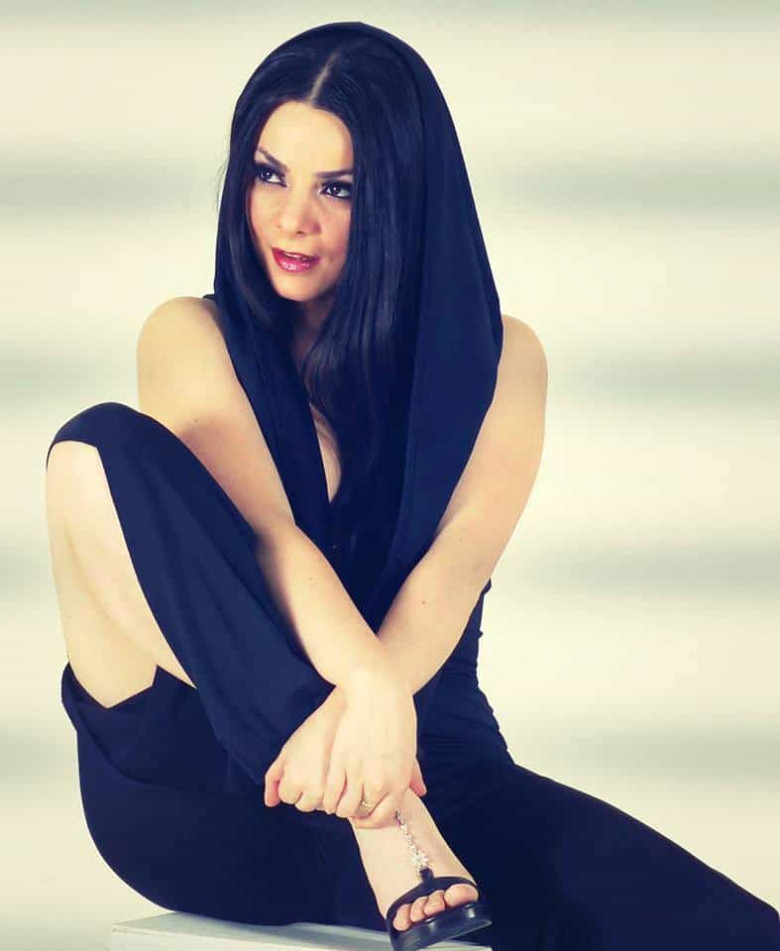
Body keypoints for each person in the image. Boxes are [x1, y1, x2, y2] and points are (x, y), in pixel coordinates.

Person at [43, 21, 780, 951]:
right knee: (95, 447)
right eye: (269, 174)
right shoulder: (190, 335)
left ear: (401, 198)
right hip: (209, 790)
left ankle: (378, 791)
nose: (291, 219)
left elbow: (455, 567)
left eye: (338, 188)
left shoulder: (505, 360)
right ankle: (376, 810)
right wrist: (367, 715)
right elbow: (270, 540)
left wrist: (382, 723)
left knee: (737, 932)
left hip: (432, 771)